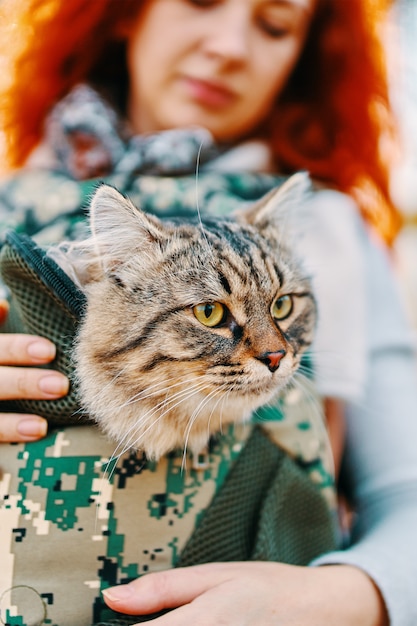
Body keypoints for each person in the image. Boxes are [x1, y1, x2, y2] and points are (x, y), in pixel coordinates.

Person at [0, 1, 416, 625]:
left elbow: (405, 491)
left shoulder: (325, 224)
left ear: (303, 55)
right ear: (123, 13)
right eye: (201, 0)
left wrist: (334, 600)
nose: (229, 46)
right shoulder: (11, 206)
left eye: (274, 25)